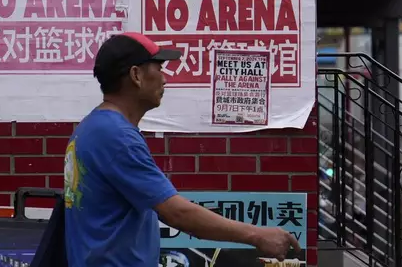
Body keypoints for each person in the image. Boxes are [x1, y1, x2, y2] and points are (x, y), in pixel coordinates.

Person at [63, 32, 301, 267]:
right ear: (136, 75)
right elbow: (177, 213)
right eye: (159, 68)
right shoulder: (116, 136)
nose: (165, 79)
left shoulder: (91, 128)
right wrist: (257, 235)